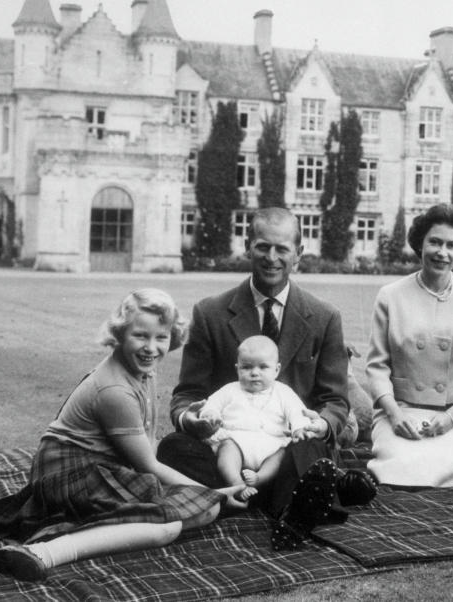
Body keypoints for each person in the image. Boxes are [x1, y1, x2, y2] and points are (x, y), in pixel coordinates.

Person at [0, 289, 245, 581]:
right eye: (140, 336)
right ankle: (43, 552)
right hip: (69, 472)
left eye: (161, 337)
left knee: (203, 510)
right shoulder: (114, 390)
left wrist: (203, 495)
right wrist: (213, 492)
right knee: (169, 526)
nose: (151, 348)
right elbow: (148, 465)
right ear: (119, 333)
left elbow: (148, 444)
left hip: (101, 469)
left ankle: (94, 526)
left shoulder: (143, 371)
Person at [157, 207, 377, 550]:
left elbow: (335, 400)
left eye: (282, 249)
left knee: (313, 449)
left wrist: (320, 424)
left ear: (298, 255)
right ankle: (302, 497)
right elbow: (186, 395)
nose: (271, 257)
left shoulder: (324, 317)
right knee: (173, 448)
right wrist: (192, 419)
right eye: (262, 247)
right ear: (248, 247)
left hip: (289, 446)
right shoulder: (210, 312)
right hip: (226, 446)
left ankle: (262, 500)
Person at [365, 203, 453, 487]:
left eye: (451, 245)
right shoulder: (390, 296)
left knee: (442, 466)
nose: (442, 252)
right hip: (399, 411)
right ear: (419, 244)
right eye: (434, 242)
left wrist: (450, 418)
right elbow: (376, 367)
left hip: (452, 415)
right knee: (400, 464)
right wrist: (395, 414)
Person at [198, 335, 314, 501]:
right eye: (246, 367)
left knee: (281, 455)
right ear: (237, 368)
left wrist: (299, 427)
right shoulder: (230, 390)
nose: (254, 373)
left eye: (263, 367)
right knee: (227, 450)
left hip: (271, 444)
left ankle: (260, 478)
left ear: (277, 369)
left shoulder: (283, 392)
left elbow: (297, 411)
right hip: (237, 440)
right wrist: (211, 414)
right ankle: (236, 483)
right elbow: (212, 404)